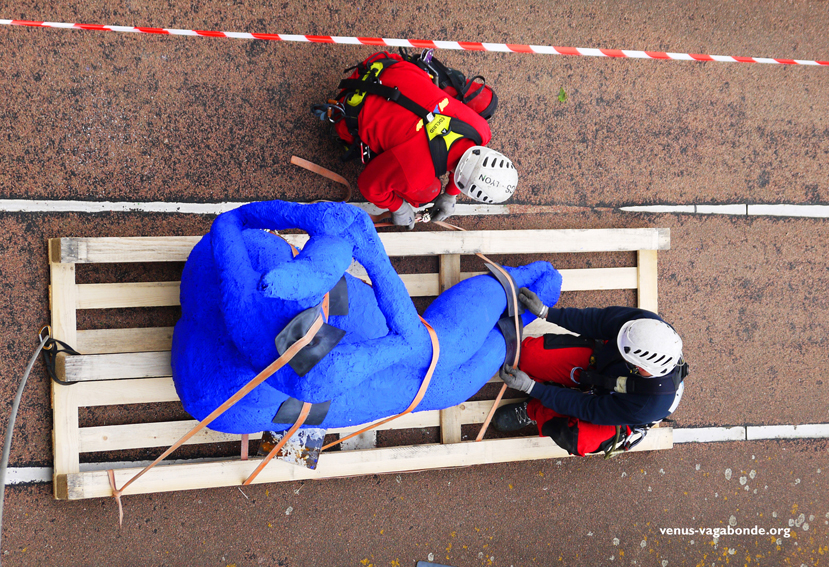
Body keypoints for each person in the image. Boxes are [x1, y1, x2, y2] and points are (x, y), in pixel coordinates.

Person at [321, 51, 518, 228]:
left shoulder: (482, 130)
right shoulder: (416, 175)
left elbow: (467, 156)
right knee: (428, 193)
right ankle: (342, 131)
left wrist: (451, 193)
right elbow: (368, 186)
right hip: (350, 104)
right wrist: (398, 208)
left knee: (483, 104)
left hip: (383, 66)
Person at [492, 287, 688, 457]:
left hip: (617, 410)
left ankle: (534, 410)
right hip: (601, 365)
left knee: (578, 438)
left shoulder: (648, 405)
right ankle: (551, 389)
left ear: (641, 367)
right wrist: (547, 312)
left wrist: (532, 388)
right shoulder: (645, 327)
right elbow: (597, 321)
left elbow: (589, 407)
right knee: (526, 356)